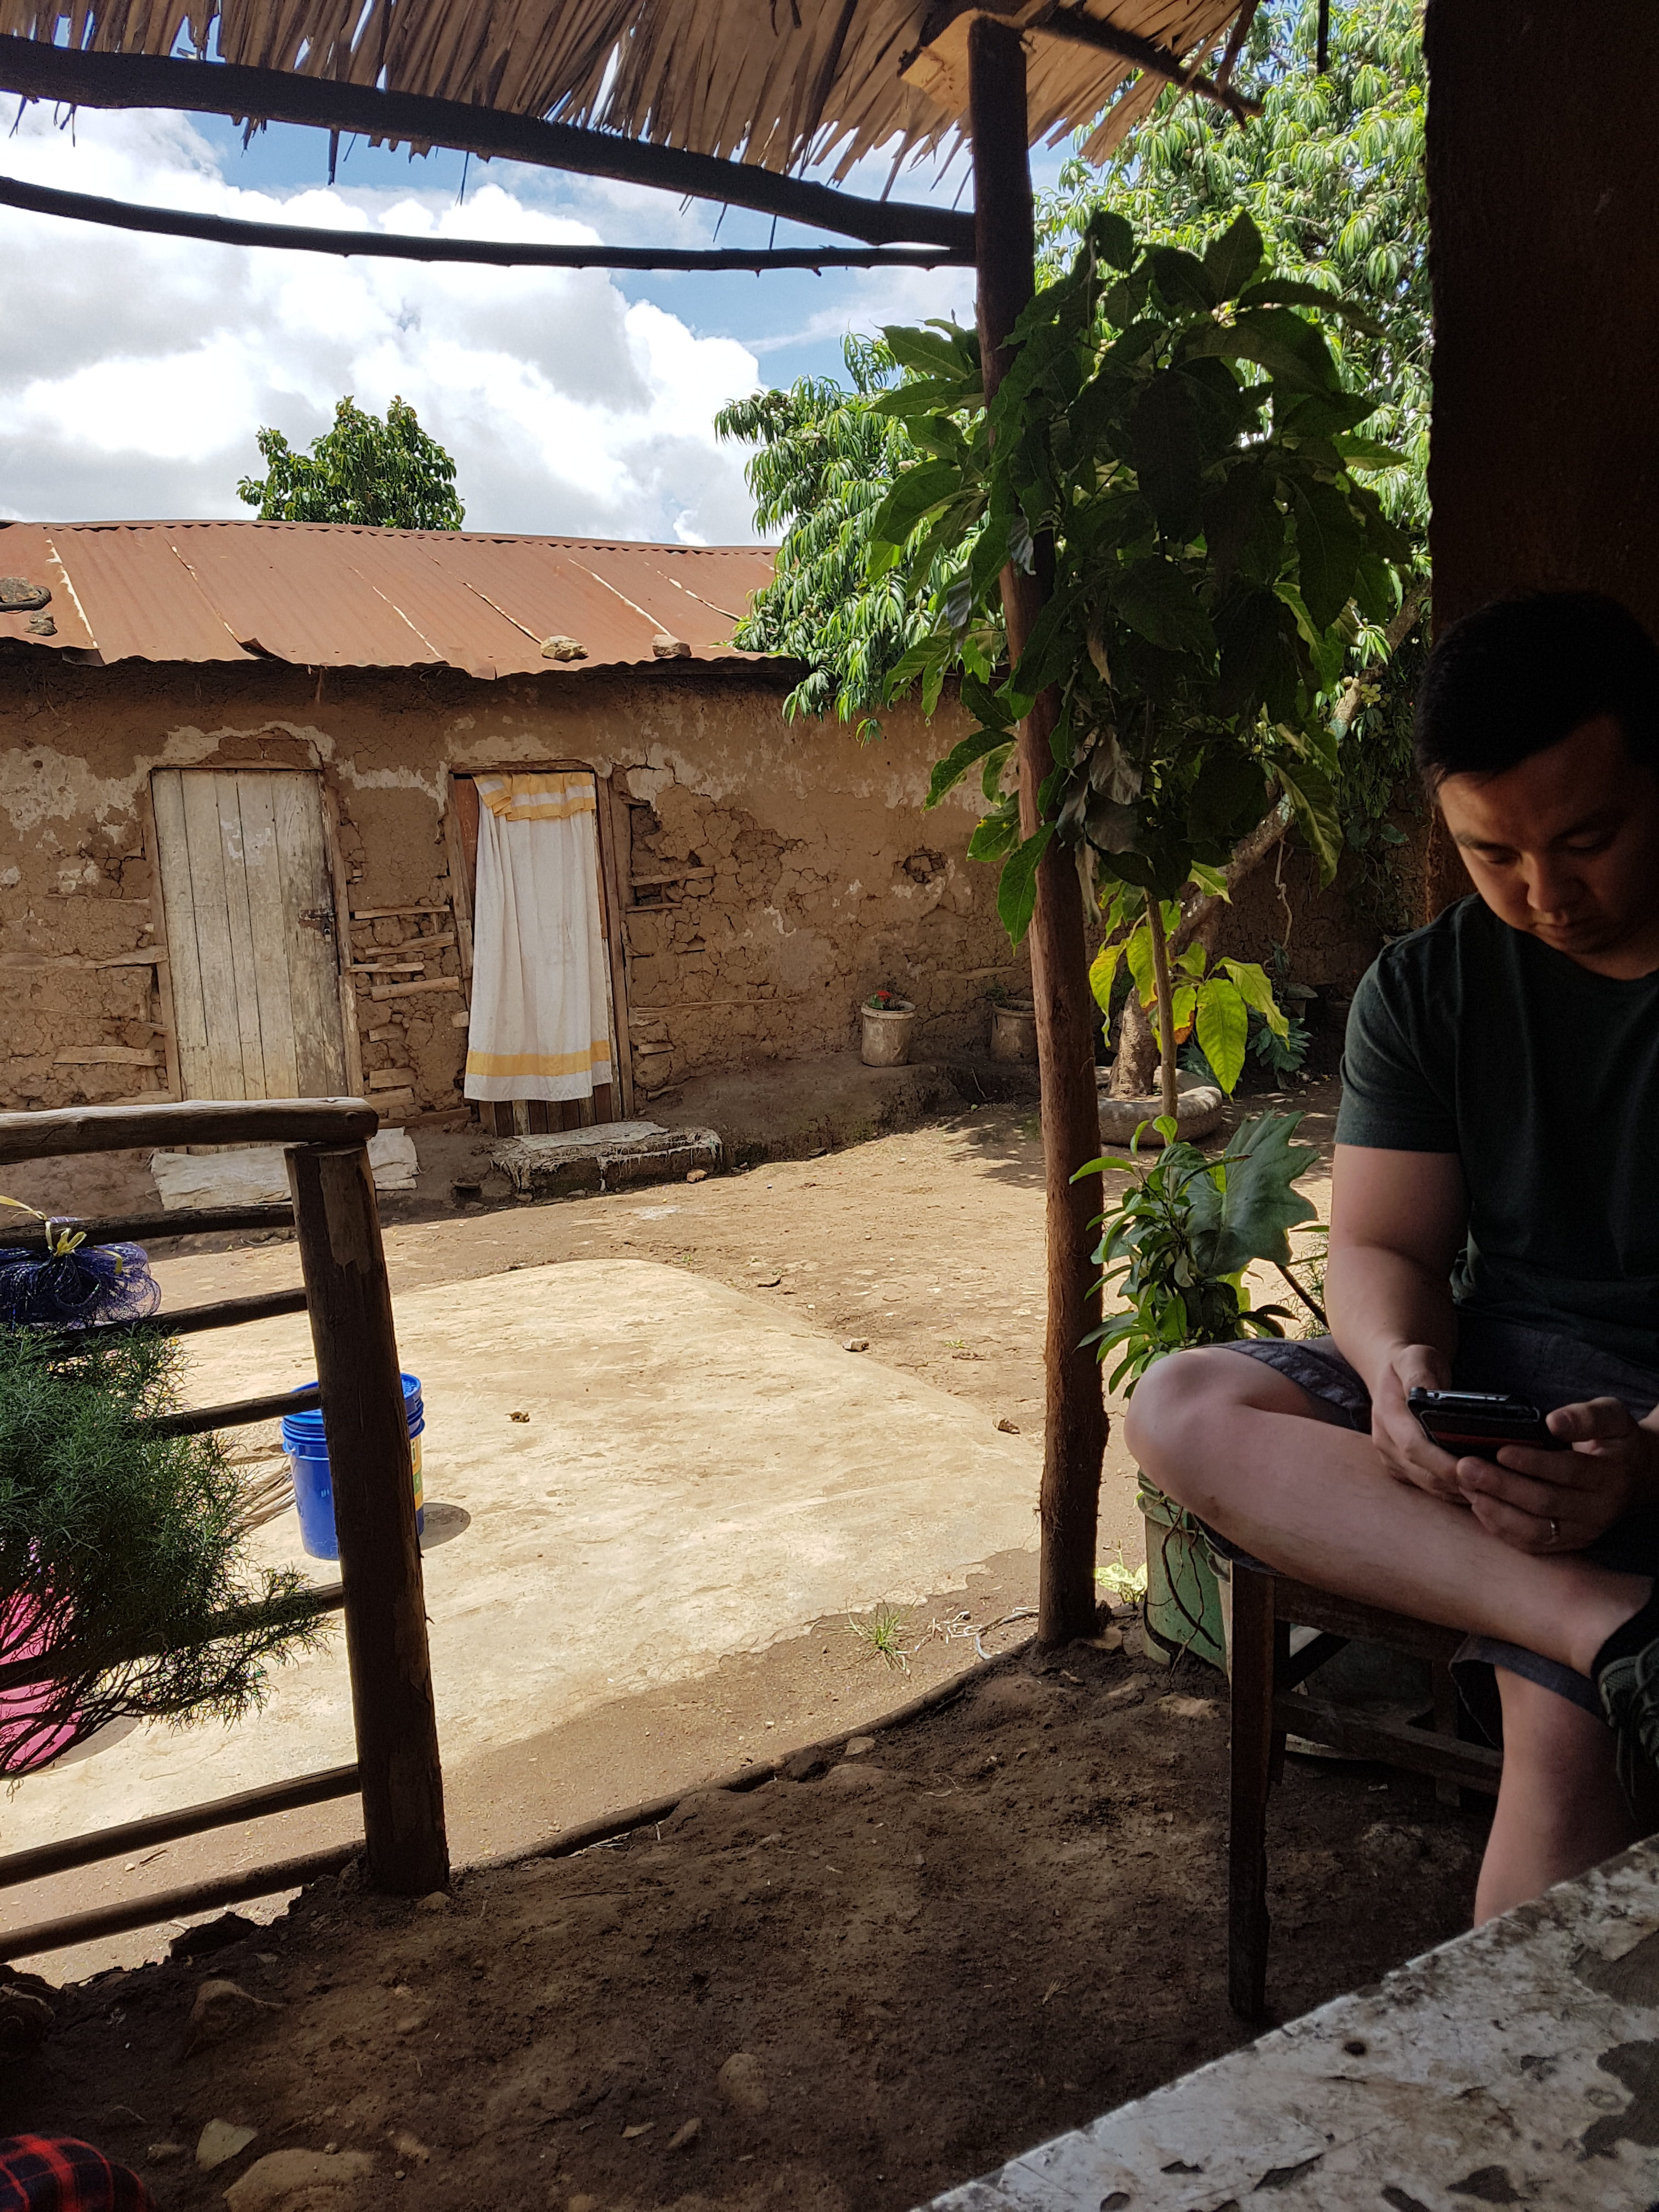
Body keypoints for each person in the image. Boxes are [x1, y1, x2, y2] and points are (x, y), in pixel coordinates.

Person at [1125, 589, 1659, 1923]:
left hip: (1643, 1415)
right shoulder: (1429, 987)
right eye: (1493, 856)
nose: (1546, 896)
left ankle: (1585, 1647)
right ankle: (1606, 1624)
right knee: (1183, 1401)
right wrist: (1397, 1369)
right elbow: (1378, 1243)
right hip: (1513, 1390)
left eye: (1589, 840)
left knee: (1563, 1745)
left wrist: (1653, 1446)